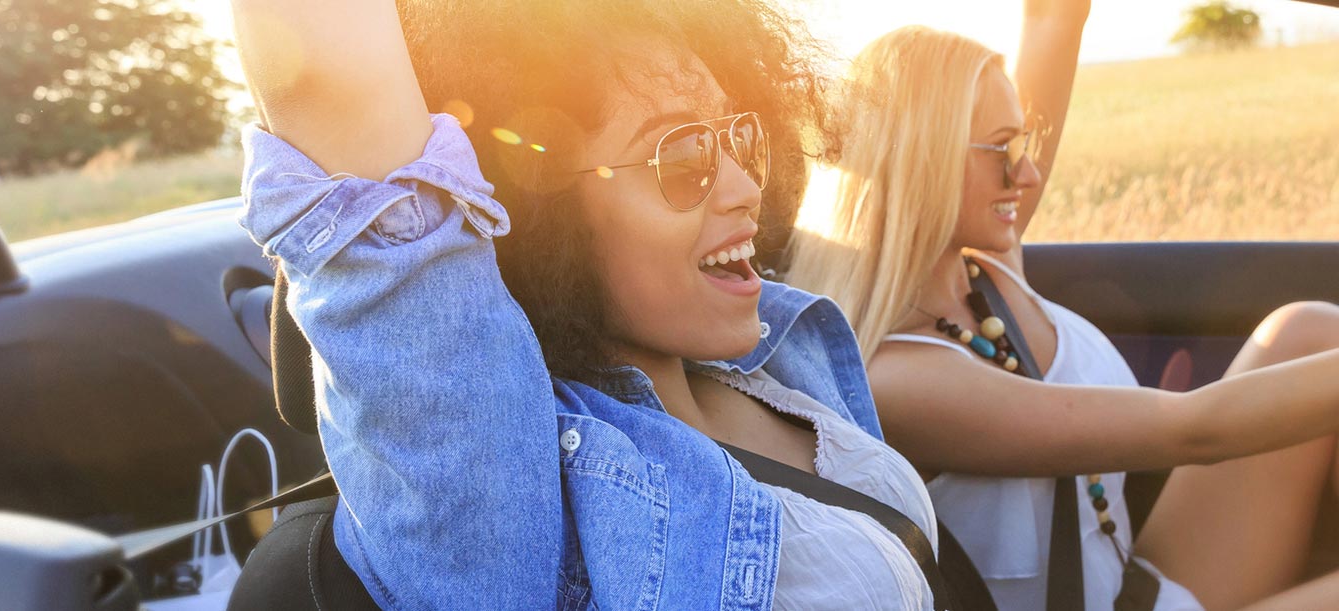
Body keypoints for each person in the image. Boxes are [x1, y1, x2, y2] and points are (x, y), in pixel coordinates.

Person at [231, 0, 946, 608]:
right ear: (545, 210)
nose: (744, 189)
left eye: (738, 136)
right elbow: (322, 75)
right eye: (683, 156)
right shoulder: (517, 492)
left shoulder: (778, 353)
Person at [786, 2, 1339, 609]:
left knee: (1306, 330)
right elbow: (1197, 429)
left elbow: (1054, 16)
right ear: (926, 161)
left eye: (1024, 144)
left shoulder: (986, 270)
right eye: (1002, 149)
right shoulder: (902, 380)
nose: (1025, 174)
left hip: (1136, 585)